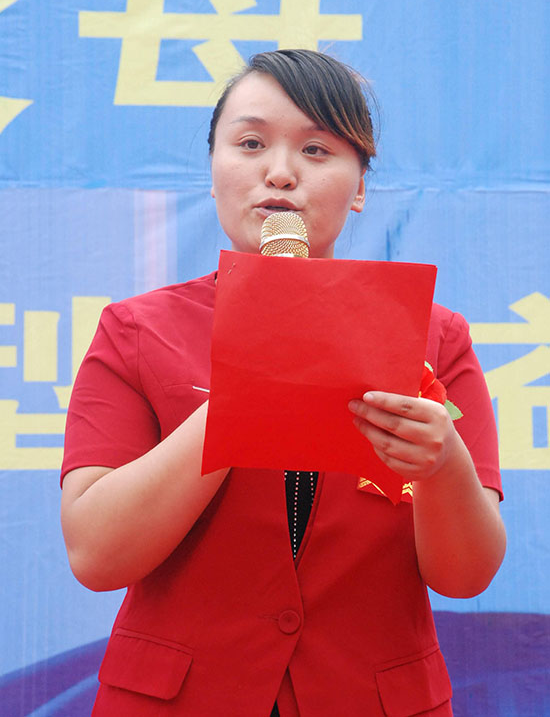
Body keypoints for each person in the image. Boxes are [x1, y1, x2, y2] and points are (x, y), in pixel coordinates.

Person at [60, 49, 506, 716]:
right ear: (213, 171)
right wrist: (244, 392)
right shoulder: (136, 331)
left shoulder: (434, 337)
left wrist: (442, 466)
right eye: (250, 143)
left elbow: (466, 575)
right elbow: (96, 554)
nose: (280, 171)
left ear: (360, 187)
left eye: (317, 150)